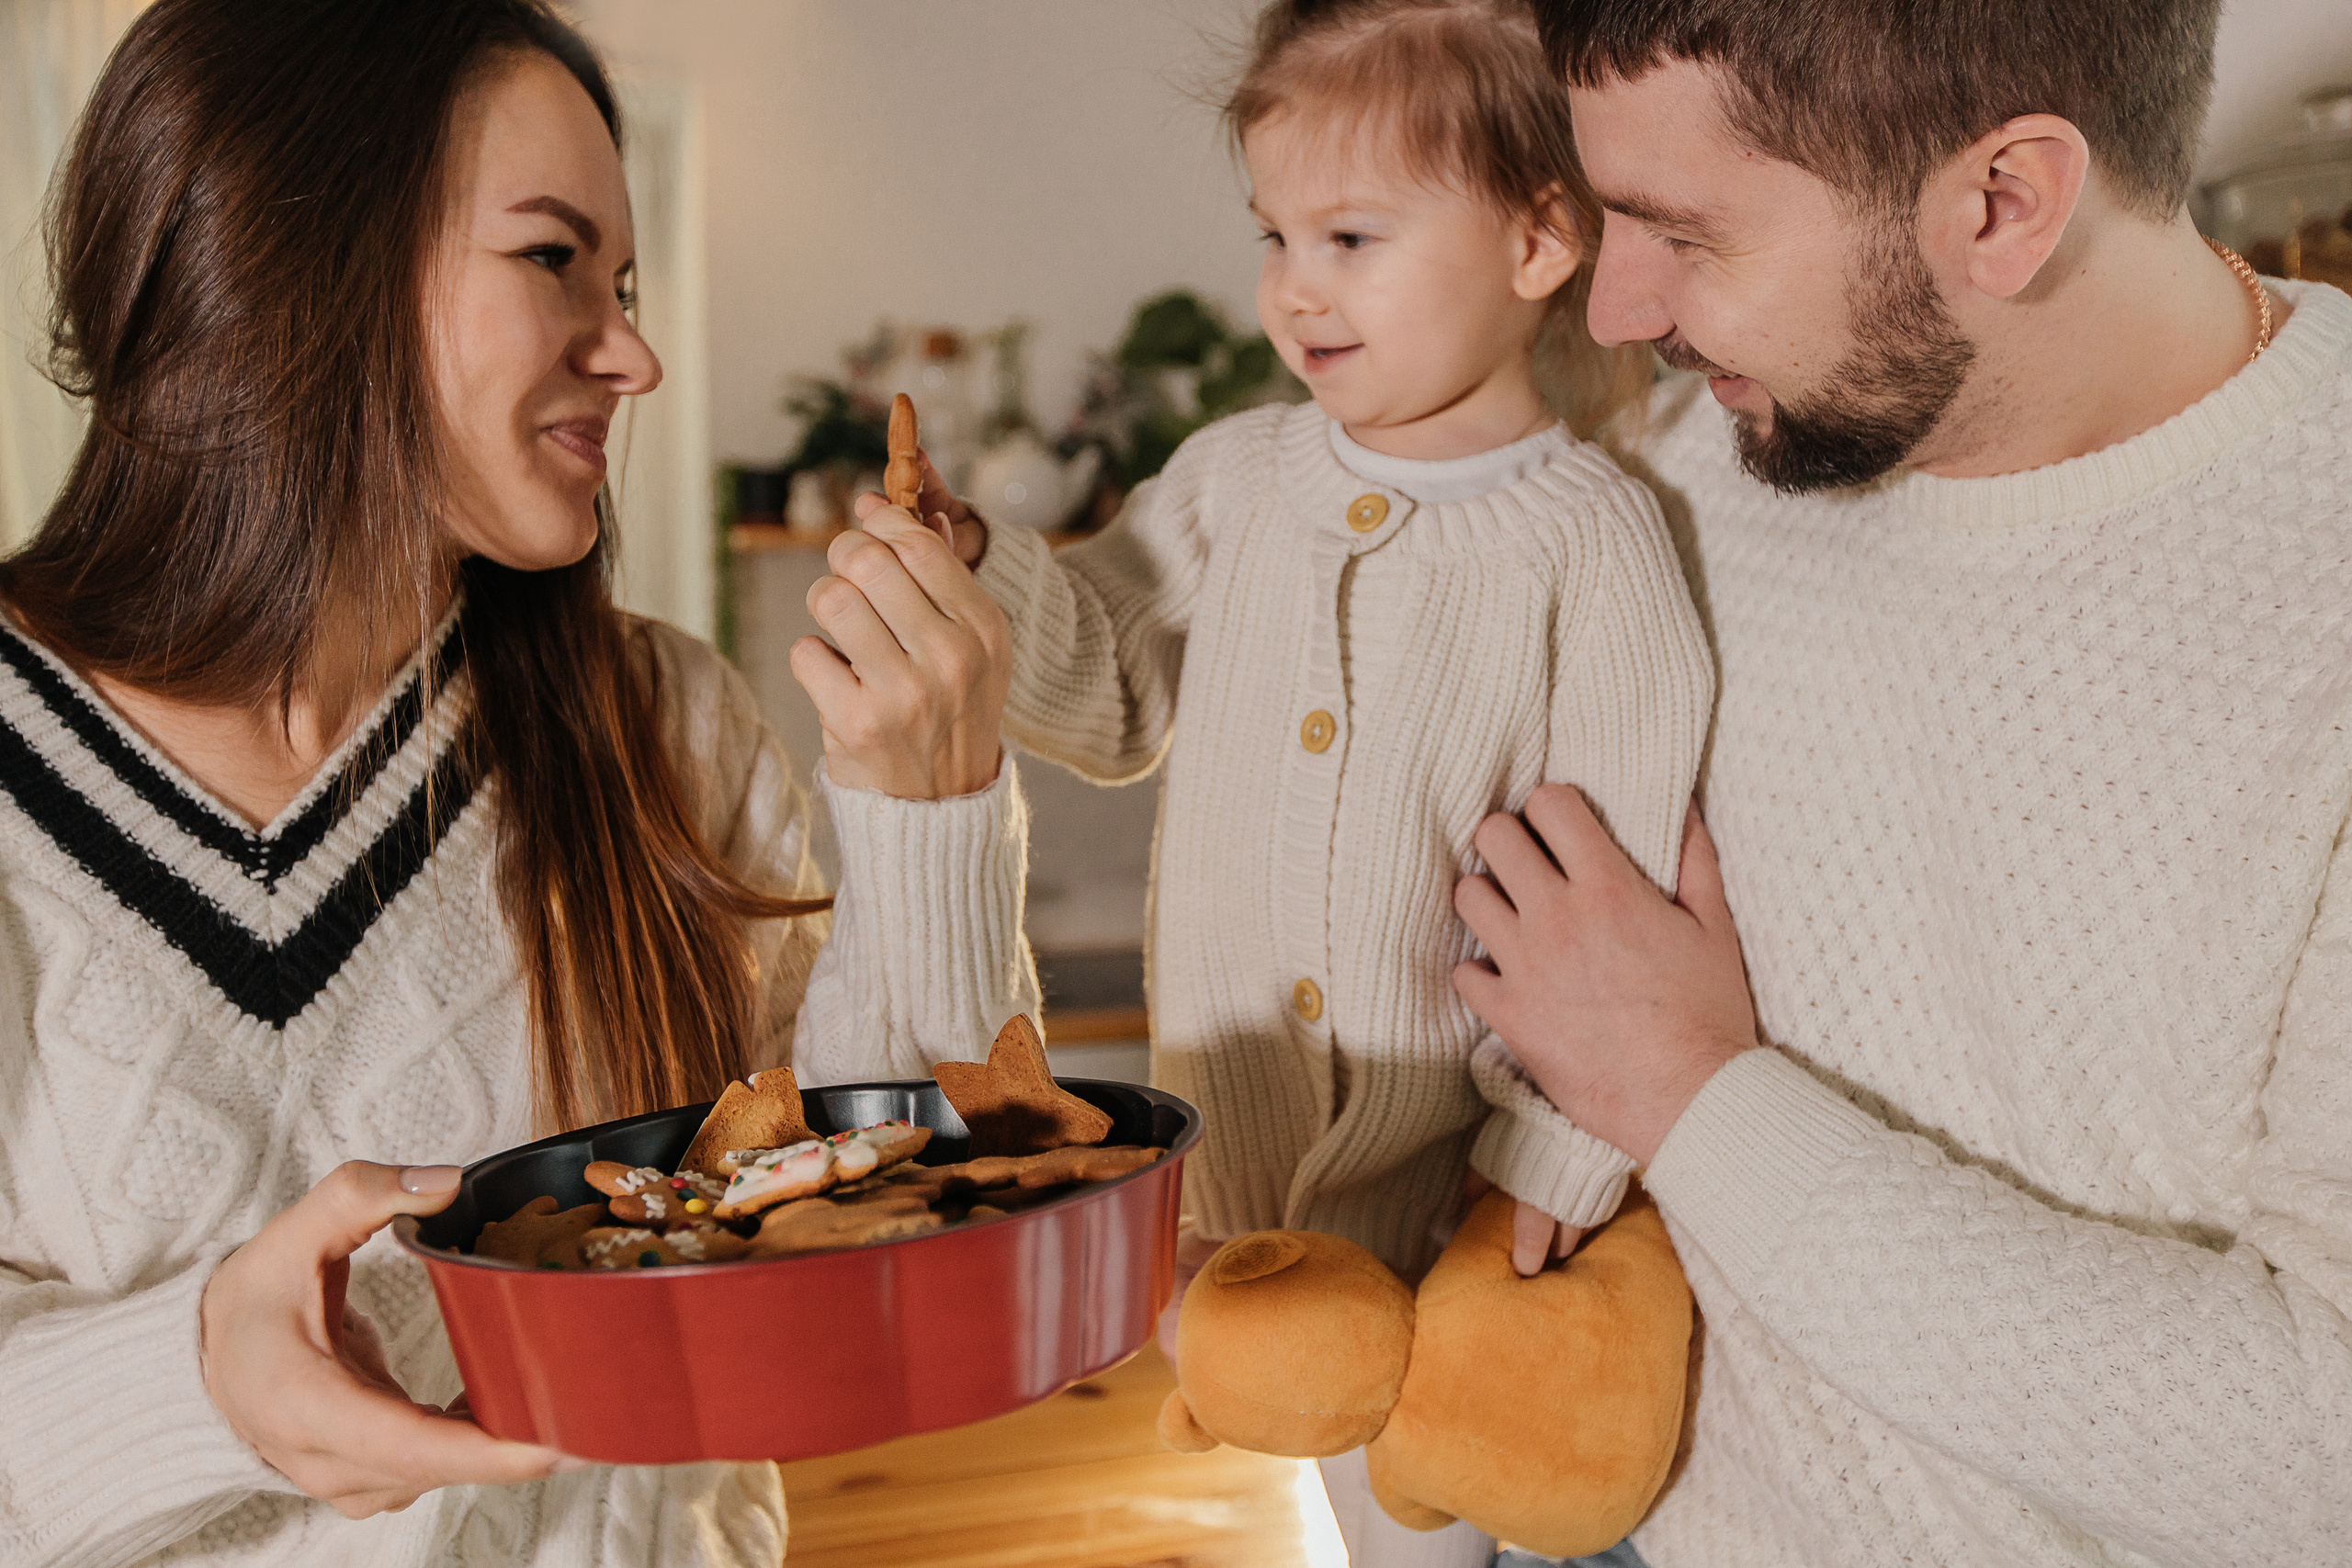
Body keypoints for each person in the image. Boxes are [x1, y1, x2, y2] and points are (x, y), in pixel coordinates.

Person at [0, 3, 1033, 1564]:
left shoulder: (664, 723)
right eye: (552, 259)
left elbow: (906, 1255)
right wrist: (202, 1376)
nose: (635, 352)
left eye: (621, 281)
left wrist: (932, 816)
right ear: (294, 264)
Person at [1453, 3, 2352, 1565]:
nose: (1612, 307)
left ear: (2004, 201)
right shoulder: (1682, 481)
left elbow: (2322, 1454)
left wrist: (1687, 1089)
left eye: (1684, 232)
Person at [888, 2, 1712, 1562]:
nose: (1291, 290)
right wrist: (988, 571)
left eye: (1349, 235)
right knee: (1353, 1515)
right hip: (1252, 1180)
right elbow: (1112, 686)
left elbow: (1626, 879)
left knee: (1494, 1512)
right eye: (1274, 234)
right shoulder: (1239, 479)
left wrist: (1553, 1149)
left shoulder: (1592, 543)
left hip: (1475, 1191)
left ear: (1542, 240)